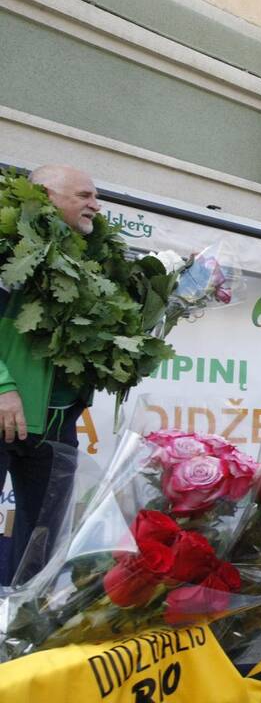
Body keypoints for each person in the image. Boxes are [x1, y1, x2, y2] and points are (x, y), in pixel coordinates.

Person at [0, 164, 99, 585]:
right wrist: (3, 386)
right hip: (6, 410)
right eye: (84, 195)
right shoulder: (7, 247)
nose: (96, 205)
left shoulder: (88, 261)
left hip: (58, 423)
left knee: (40, 542)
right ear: (46, 195)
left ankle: (17, 636)